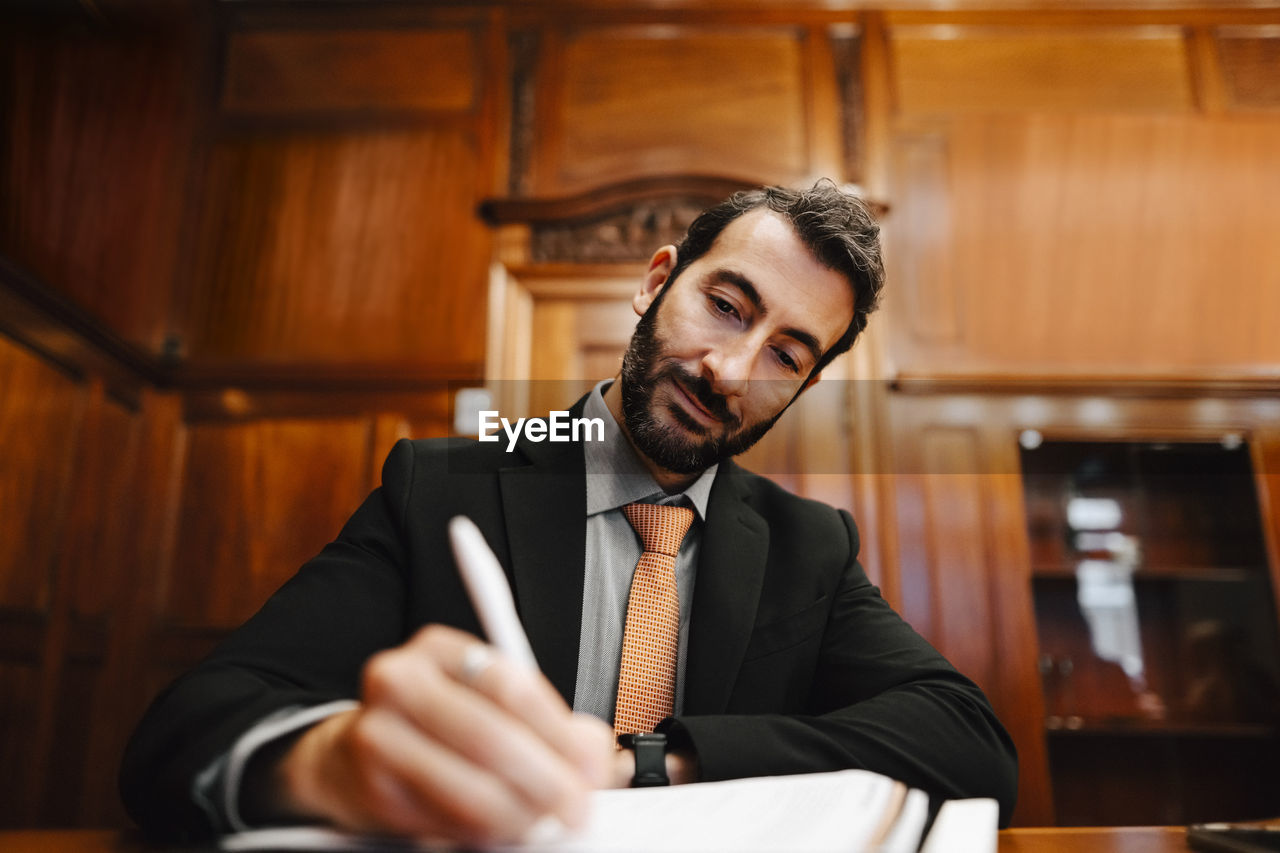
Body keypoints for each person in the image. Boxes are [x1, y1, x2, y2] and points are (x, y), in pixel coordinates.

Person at [119, 180, 1019, 844]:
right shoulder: (441, 487)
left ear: (808, 383)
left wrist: (655, 763)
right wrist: (330, 760)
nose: (732, 371)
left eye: (786, 354)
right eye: (725, 305)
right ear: (656, 282)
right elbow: (190, 726)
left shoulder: (808, 545)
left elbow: (968, 739)